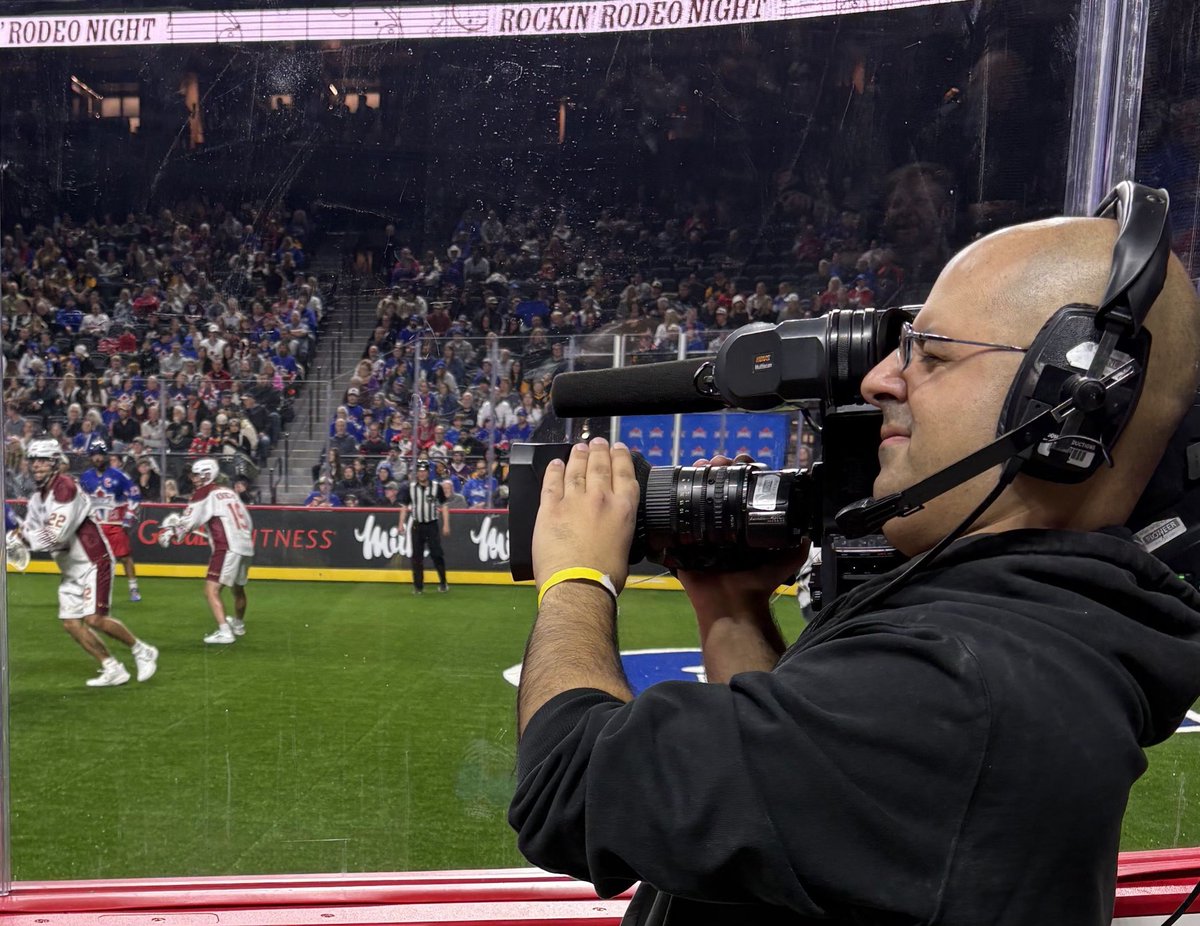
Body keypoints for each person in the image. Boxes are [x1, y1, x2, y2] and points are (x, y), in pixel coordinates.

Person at [508, 214, 1200, 925]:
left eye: (930, 353)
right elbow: (790, 809)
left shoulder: (958, 684)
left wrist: (576, 578)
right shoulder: (1028, 635)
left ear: (1071, 400)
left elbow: (570, 788)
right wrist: (730, 612)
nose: (877, 382)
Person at [13, 440, 158, 687]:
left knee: (94, 619)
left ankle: (142, 650)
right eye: (33, 459)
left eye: (43, 460)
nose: (36, 465)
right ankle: (112, 667)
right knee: (71, 623)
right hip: (70, 567)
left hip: (93, 561)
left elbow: (55, 535)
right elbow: (31, 529)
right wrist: (15, 536)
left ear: (55, 463)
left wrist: (21, 539)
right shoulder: (38, 498)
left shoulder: (65, 487)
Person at [163, 458, 254, 645]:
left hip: (227, 545)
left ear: (206, 474)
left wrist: (171, 532)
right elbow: (247, 520)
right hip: (245, 543)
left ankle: (225, 632)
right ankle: (238, 625)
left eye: (196, 474)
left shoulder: (204, 493)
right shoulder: (227, 491)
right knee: (238, 588)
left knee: (211, 590)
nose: (193, 478)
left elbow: (189, 521)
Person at [78, 437, 143, 602]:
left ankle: (133, 588)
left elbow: (135, 494)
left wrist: (129, 517)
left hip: (114, 524)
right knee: (89, 559)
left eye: (100, 454)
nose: (97, 458)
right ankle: (87, 589)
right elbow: (80, 499)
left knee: (125, 557)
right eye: (94, 455)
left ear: (106, 455)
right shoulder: (85, 477)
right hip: (94, 526)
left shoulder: (119, 475)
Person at [397, 459, 449, 594]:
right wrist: (400, 524)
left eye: (424, 471)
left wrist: (446, 524)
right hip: (417, 525)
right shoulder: (411, 488)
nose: (421, 474)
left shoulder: (436, 487)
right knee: (417, 557)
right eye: (419, 471)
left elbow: (444, 506)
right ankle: (418, 586)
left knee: (437, 554)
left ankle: (443, 582)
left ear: (428, 472)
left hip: (431, 524)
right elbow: (404, 507)